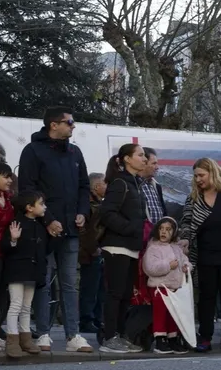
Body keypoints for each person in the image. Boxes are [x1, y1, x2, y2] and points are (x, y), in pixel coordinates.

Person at [17, 106, 94, 353]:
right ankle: (43, 333)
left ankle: (73, 335)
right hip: (42, 230)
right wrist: (48, 219)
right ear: (54, 124)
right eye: (69, 122)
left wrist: (82, 212)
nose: (73, 126)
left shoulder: (75, 152)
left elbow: (84, 186)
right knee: (43, 282)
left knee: (70, 283)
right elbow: (27, 188)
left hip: (70, 229)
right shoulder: (32, 151)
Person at [179, 158, 221, 352]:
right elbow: (186, 222)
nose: (198, 180)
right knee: (206, 298)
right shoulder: (194, 197)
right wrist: (185, 239)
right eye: (195, 176)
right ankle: (205, 337)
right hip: (204, 255)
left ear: (212, 172)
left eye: (201, 175)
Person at [98, 144, 150, 354]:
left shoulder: (136, 183)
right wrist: (130, 229)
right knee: (115, 293)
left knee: (126, 294)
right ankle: (109, 337)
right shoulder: (120, 182)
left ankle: (119, 335)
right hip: (117, 246)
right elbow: (107, 213)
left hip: (131, 247)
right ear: (127, 159)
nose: (144, 159)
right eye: (140, 155)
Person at [0, 191, 49, 358]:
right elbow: (5, 247)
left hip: (32, 272)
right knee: (16, 305)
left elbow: (43, 251)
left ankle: (25, 338)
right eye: (41, 204)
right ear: (29, 207)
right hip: (17, 270)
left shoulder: (40, 226)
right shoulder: (16, 223)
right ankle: (12, 340)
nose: (45, 207)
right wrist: (13, 240)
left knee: (27, 306)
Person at [142, 217, 191, 355]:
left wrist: (187, 266)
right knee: (160, 313)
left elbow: (185, 260)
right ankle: (160, 339)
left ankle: (172, 338)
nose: (164, 232)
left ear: (174, 232)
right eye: (161, 229)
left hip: (174, 288)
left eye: (168, 229)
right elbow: (150, 268)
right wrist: (168, 266)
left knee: (173, 314)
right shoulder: (153, 248)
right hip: (160, 287)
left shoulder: (177, 248)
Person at [78, 173, 107, 333]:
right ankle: (86, 320)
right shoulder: (88, 206)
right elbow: (84, 231)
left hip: (98, 251)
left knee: (99, 288)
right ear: (96, 187)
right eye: (105, 183)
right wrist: (93, 248)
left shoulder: (98, 204)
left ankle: (97, 319)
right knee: (90, 287)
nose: (107, 186)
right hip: (90, 253)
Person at [0, 161, 14, 354]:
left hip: (3, 251)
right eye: (5, 177)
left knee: (3, 295)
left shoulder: (7, 197)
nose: (9, 181)